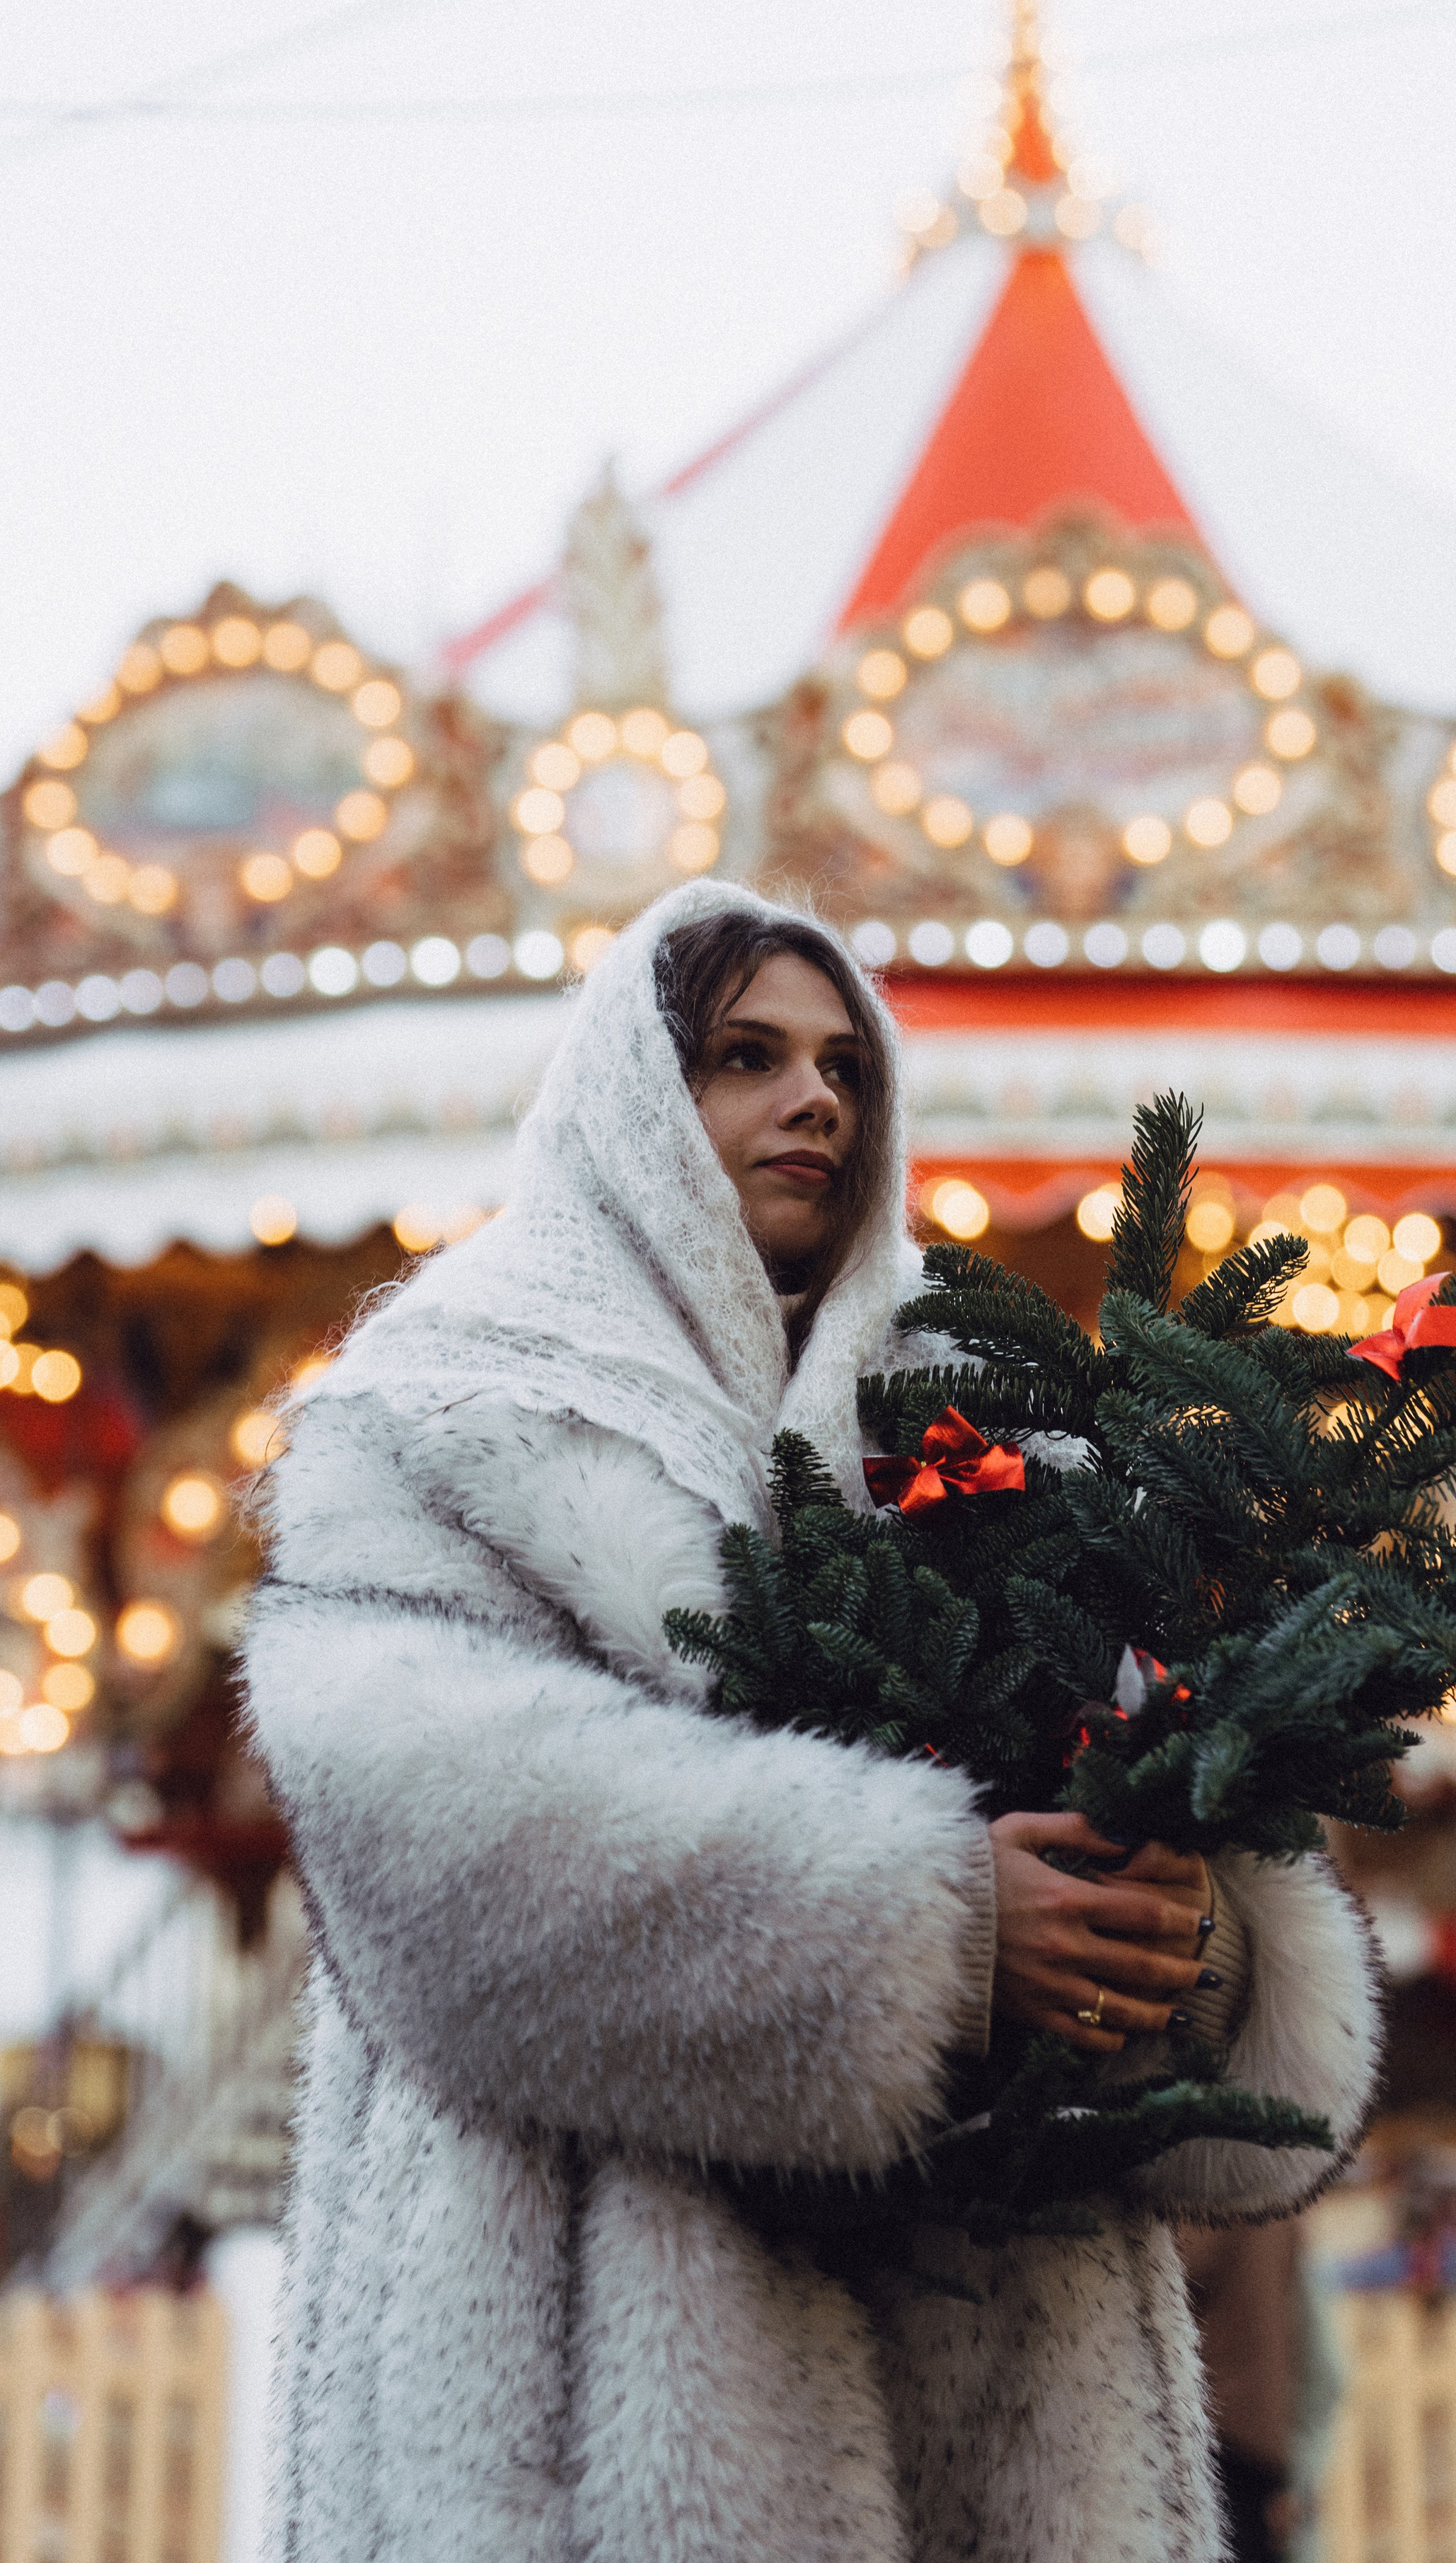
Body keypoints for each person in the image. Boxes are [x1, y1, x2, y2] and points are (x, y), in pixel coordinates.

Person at [244, 880, 1382, 2563]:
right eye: (745, 1056)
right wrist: (929, 1923)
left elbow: (1174, 1810)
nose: (815, 1101)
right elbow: (436, 1828)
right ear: (637, 1099)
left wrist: (1191, 1944)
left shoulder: (992, 1428)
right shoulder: (436, 1414)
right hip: (579, 2369)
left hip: (1000, 2389)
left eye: (843, 1063)